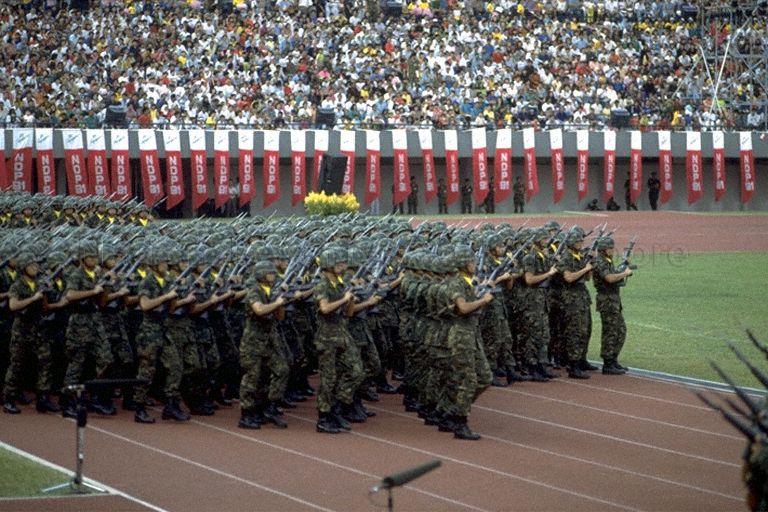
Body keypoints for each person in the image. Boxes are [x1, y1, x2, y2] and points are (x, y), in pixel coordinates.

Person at [591, 237, 633, 375]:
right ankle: (608, 363)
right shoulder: (599, 262)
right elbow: (609, 278)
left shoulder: (607, 261)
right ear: (603, 249)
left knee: (620, 330)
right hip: (606, 300)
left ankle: (613, 359)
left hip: (614, 300)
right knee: (610, 332)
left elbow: (614, 274)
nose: (612, 250)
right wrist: (624, 273)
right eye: (610, 248)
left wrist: (624, 266)